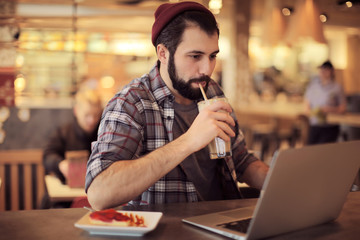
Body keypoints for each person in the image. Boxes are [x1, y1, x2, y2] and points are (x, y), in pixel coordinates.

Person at [86, 1, 269, 210]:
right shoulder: (131, 103)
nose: (207, 69)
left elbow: (241, 160)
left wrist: (281, 183)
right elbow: (99, 194)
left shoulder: (212, 92)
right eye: (195, 56)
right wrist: (189, 141)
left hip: (223, 224)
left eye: (212, 56)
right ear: (163, 53)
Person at [43, 89, 103, 185]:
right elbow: (47, 157)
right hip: (66, 193)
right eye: (87, 115)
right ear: (76, 111)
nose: (92, 120)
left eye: (96, 115)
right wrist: (61, 164)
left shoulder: (104, 134)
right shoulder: (63, 132)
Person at [304, 60, 347, 145]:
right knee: (310, 151)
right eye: (321, 70)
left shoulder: (337, 87)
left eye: (326, 70)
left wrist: (329, 109)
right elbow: (306, 103)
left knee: (324, 152)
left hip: (330, 126)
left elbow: (343, 108)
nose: (323, 72)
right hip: (314, 124)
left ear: (332, 71)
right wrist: (310, 112)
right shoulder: (313, 86)